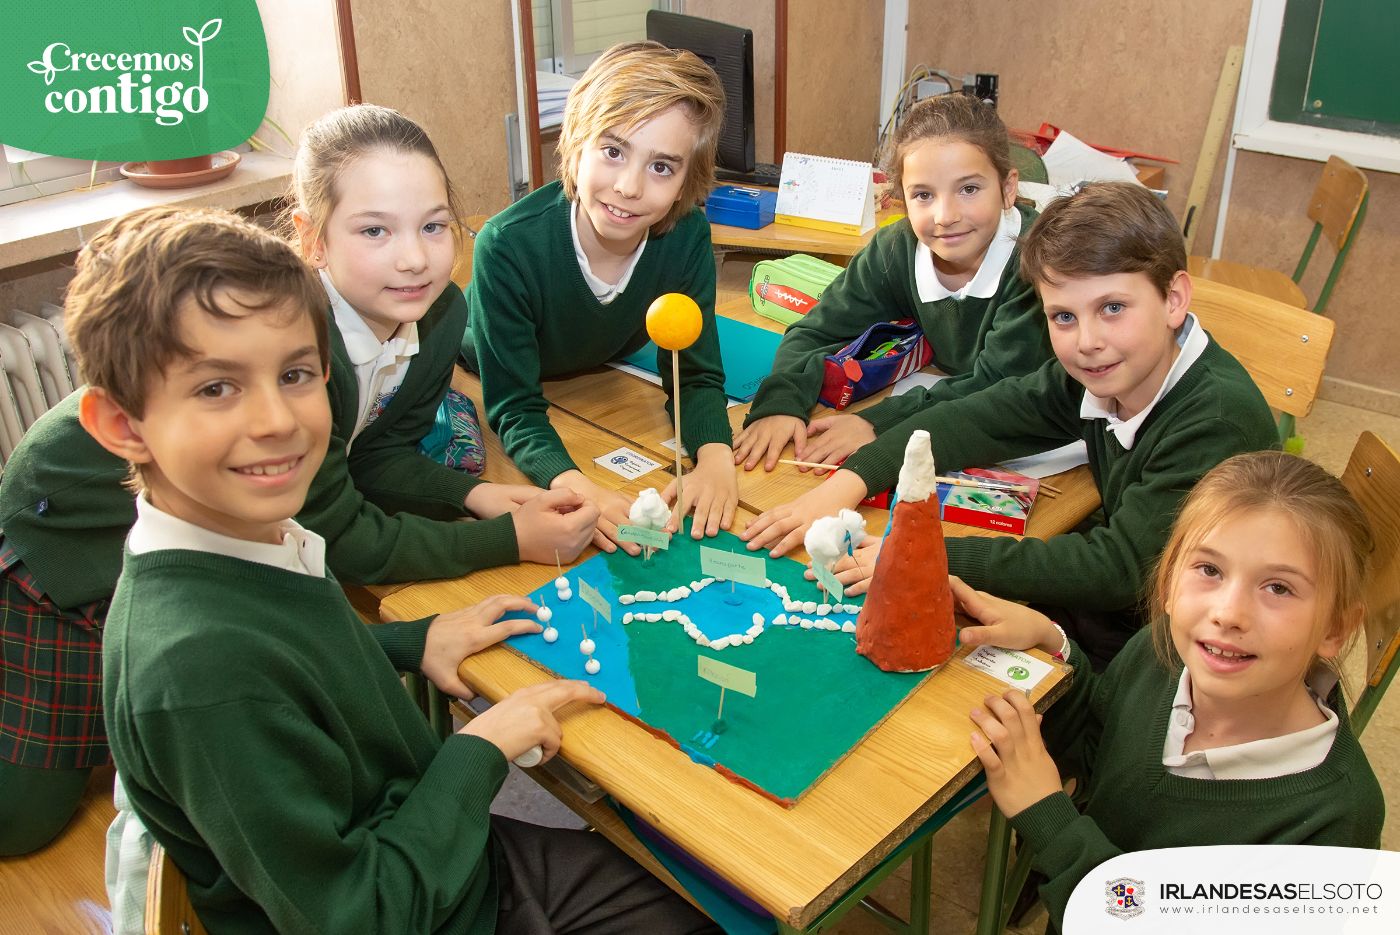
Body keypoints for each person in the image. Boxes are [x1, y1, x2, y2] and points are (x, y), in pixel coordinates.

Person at [78, 208, 716, 933]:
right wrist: (480, 749)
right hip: (421, 901)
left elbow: (290, 668)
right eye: (216, 388)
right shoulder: (198, 672)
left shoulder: (244, 540)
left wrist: (410, 641)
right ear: (122, 425)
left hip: (434, 851)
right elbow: (361, 915)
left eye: (295, 374)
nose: (277, 421)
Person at [742, 182, 1279, 669]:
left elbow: (1117, 568)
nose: (1087, 341)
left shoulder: (1214, 422)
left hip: (1174, 654)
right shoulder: (1106, 372)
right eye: (1063, 316)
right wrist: (846, 484)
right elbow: (978, 418)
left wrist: (921, 555)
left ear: (1174, 299)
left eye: (1113, 308)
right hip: (1128, 608)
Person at [957, 451, 1384, 934]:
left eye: (1279, 588)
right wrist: (1052, 645)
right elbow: (1102, 743)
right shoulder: (1161, 655)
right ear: (1167, 581)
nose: (1228, 613)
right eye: (1209, 570)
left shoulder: (1335, 818)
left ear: (1335, 628)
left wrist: (1050, 819)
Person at [286, 103, 597, 582]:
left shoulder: (441, 313)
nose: (414, 259)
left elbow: (374, 453)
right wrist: (508, 539)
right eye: (375, 230)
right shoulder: (294, 359)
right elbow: (335, 539)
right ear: (313, 240)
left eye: (432, 226)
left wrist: (471, 494)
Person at [462, 42, 737, 552]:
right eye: (613, 152)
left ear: (685, 184)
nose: (629, 187)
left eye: (662, 167)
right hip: (485, 356)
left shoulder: (687, 238)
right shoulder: (505, 246)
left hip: (598, 367)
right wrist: (578, 487)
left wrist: (717, 457)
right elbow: (515, 406)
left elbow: (694, 371)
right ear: (575, 146)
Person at [733, 93, 1050, 472]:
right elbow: (816, 331)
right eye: (923, 195)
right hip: (946, 405)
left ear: (1008, 188)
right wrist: (781, 402)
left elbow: (997, 385)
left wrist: (879, 422)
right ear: (902, 199)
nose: (945, 215)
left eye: (968, 189)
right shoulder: (897, 248)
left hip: (1033, 431)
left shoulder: (1041, 260)